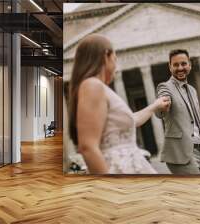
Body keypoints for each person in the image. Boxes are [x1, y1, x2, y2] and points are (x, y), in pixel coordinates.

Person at [68, 34, 170, 174]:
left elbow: (131, 120)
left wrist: (154, 106)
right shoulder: (92, 85)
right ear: (106, 56)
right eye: (115, 59)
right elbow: (87, 147)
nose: (116, 67)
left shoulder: (97, 88)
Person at [156, 49, 200, 174]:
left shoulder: (192, 90)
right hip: (180, 153)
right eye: (175, 65)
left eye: (183, 64)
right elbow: (160, 108)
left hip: (198, 151)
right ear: (170, 67)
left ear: (189, 65)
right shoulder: (165, 87)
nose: (180, 68)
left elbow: (199, 122)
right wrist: (163, 105)